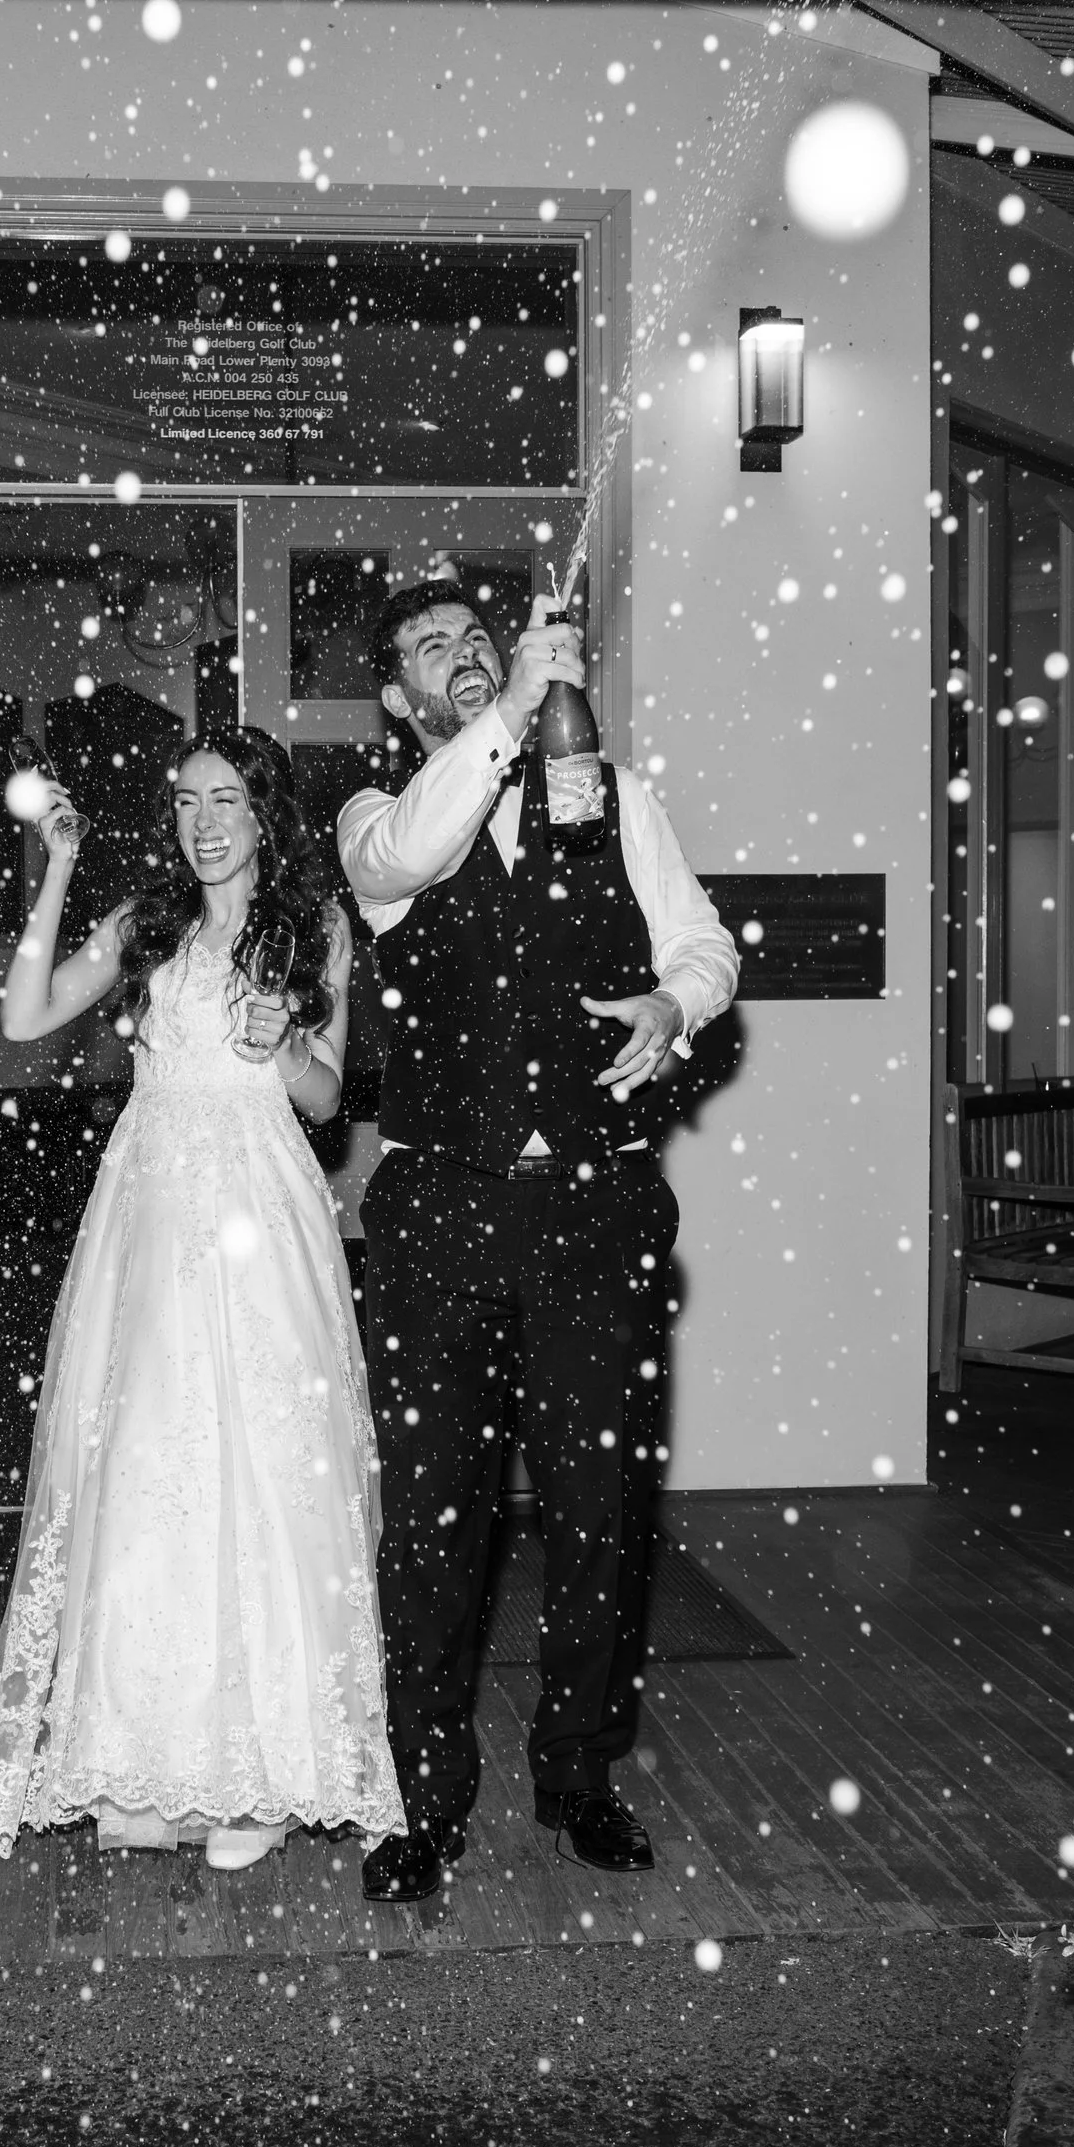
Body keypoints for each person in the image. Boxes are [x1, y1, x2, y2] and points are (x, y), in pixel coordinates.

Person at [0, 728, 403, 1872]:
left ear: (263, 812)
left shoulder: (312, 928)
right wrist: (54, 875)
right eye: (187, 800)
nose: (203, 820)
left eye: (226, 799)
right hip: (147, 1208)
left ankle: (266, 1767)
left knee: (268, 1468)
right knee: (143, 1464)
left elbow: (328, 1095)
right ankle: (140, 1747)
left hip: (264, 1201)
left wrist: (284, 1044)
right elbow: (26, 1017)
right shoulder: (146, 922)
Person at [339, 580, 737, 1901]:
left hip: (596, 1210)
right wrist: (508, 716)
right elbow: (408, 858)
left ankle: (577, 1772)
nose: (457, 655)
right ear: (400, 696)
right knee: (432, 1526)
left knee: (599, 1513)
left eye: (474, 636)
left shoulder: (614, 792)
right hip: (441, 1213)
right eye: (426, 648)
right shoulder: (379, 815)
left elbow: (704, 942)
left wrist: (675, 1006)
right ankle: (424, 1797)